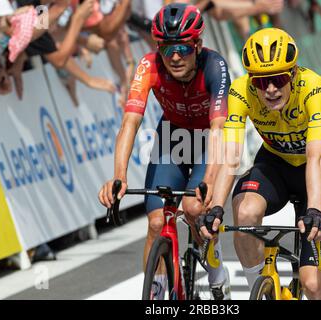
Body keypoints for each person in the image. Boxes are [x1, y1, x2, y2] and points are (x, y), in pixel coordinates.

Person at [98, 3, 231, 300]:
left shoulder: (214, 66)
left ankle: (215, 266)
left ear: (197, 45)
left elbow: (220, 130)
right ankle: (157, 297)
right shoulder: (148, 66)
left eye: (183, 48)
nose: (174, 57)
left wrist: (208, 180)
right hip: (172, 137)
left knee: (195, 209)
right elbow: (129, 123)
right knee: (157, 221)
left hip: (208, 139)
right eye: (166, 48)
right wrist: (118, 177)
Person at [200, 27, 321, 300]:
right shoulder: (240, 92)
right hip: (275, 162)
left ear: (292, 73)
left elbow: (316, 157)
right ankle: (263, 292)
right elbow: (230, 155)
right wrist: (216, 207)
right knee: (244, 214)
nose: (271, 89)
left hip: (316, 172)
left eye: (277, 78)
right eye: (261, 82)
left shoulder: (313, 88)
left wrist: (313, 210)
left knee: (312, 284)